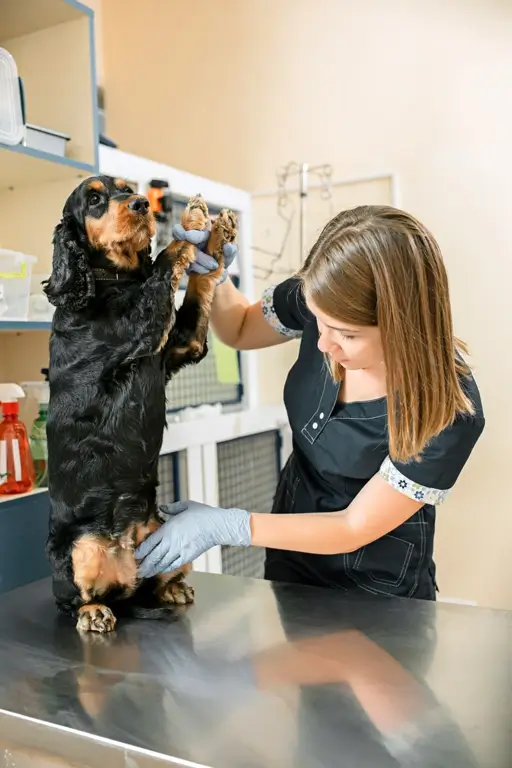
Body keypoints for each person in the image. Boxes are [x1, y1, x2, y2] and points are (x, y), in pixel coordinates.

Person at [136, 205, 485, 599]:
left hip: (378, 587)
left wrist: (228, 526)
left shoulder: (447, 409)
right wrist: (215, 277)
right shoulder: (322, 295)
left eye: (347, 334)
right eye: (319, 321)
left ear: (401, 323)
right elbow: (240, 328)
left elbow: (354, 526)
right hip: (290, 559)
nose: (322, 343)